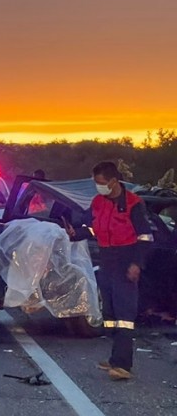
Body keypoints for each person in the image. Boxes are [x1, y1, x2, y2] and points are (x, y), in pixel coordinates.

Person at [65, 161, 153, 381]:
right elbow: (93, 227)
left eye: (101, 183)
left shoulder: (133, 204)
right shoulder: (98, 202)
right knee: (110, 314)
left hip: (126, 260)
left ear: (114, 181)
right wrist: (75, 233)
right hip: (107, 260)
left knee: (124, 315)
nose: (98, 186)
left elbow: (145, 237)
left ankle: (123, 365)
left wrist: (136, 264)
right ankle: (116, 358)